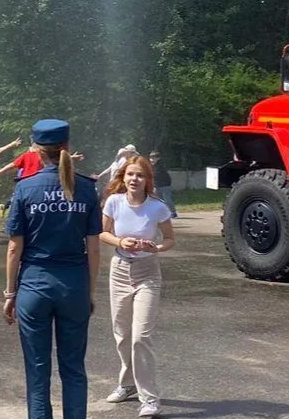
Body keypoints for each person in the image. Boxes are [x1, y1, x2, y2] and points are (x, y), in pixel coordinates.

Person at [3, 119, 102, 419]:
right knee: (73, 368)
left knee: (37, 370)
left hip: (35, 284)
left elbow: (14, 248)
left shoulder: (25, 188)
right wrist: (91, 292)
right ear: (67, 147)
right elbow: (94, 248)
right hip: (74, 285)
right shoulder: (86, 189)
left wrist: (10, 293)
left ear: (35, 149)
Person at [99, 155, 175, 417]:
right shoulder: (114, 202)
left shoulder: (157, 207)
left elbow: (169, 239)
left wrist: (156, 247)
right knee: (122, 335)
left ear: (147, 180)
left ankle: (150, 398)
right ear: (123, 177)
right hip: (119, 272)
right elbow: (103, 233)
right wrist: (120, 242)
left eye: (140, 175)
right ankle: (127, 384)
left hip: (147, 273)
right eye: (130, 174)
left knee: (141, 337)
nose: (134, 179)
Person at [148, 152, 177, 219]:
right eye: (151, 158)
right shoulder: (152, 166)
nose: (152, 159)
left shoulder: (160, 165)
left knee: (167, 199)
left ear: (158, 158)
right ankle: (159, 212)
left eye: (154, 158)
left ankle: (173, 212)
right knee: (155, 199)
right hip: (157, 185)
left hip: (165, 185)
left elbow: (155, 174)